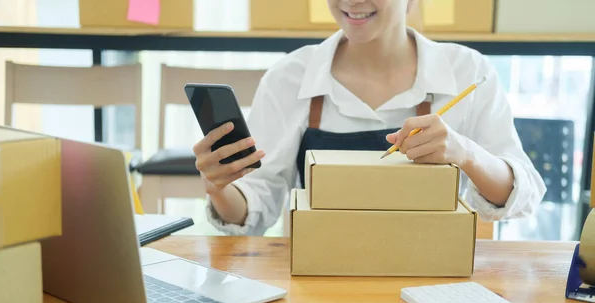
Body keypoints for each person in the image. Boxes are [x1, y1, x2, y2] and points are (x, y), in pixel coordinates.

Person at [192, 0, 546, 236]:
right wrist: (219, 189)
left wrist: (466, 153)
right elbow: (256, 203)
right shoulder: (290, 77)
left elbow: (523, 196)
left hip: (434, 285)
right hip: (319, 288)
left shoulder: (468, 70)